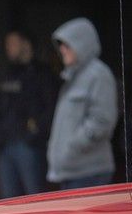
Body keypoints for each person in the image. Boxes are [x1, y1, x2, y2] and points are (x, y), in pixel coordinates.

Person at [46, 17, 118, 190]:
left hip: (89, 171)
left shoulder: (98, 74)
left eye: (67, 44)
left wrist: (72, 146)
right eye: (61, 45)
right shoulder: (73, 77)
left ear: (82, 44)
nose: (62, 50)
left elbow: (102, 121)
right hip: (73, 171)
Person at [0, 30, 58, 197]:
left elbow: (51, 109)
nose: (8, 48)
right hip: (6, 144)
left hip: (29, 145)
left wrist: (34, 133)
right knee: (9, 202)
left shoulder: (42, 74)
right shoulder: (8, 73)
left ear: (26, 45)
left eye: (12, 43)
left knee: (35, 198)